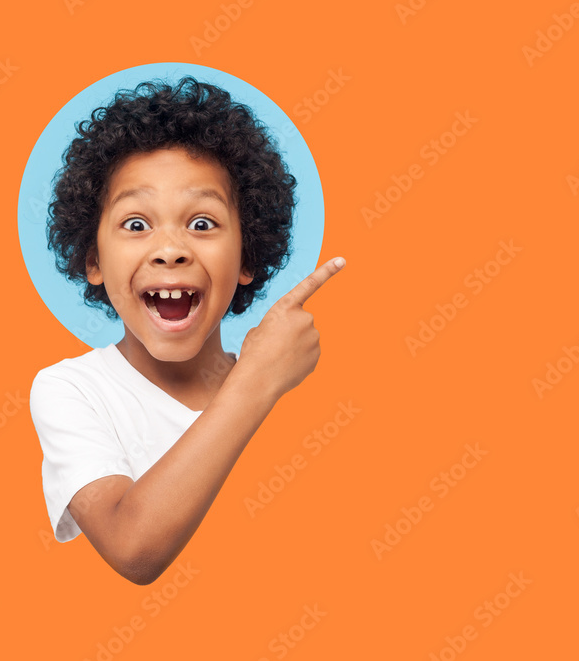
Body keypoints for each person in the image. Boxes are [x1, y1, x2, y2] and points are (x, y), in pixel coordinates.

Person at [29, 77, 344, 585]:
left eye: (202, 223)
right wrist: (258, 376)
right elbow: (132, 549)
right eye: (136, 224)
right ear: (93, 260)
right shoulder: (71, 390)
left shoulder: (300, 382)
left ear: (247, 257)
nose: (170, 249)